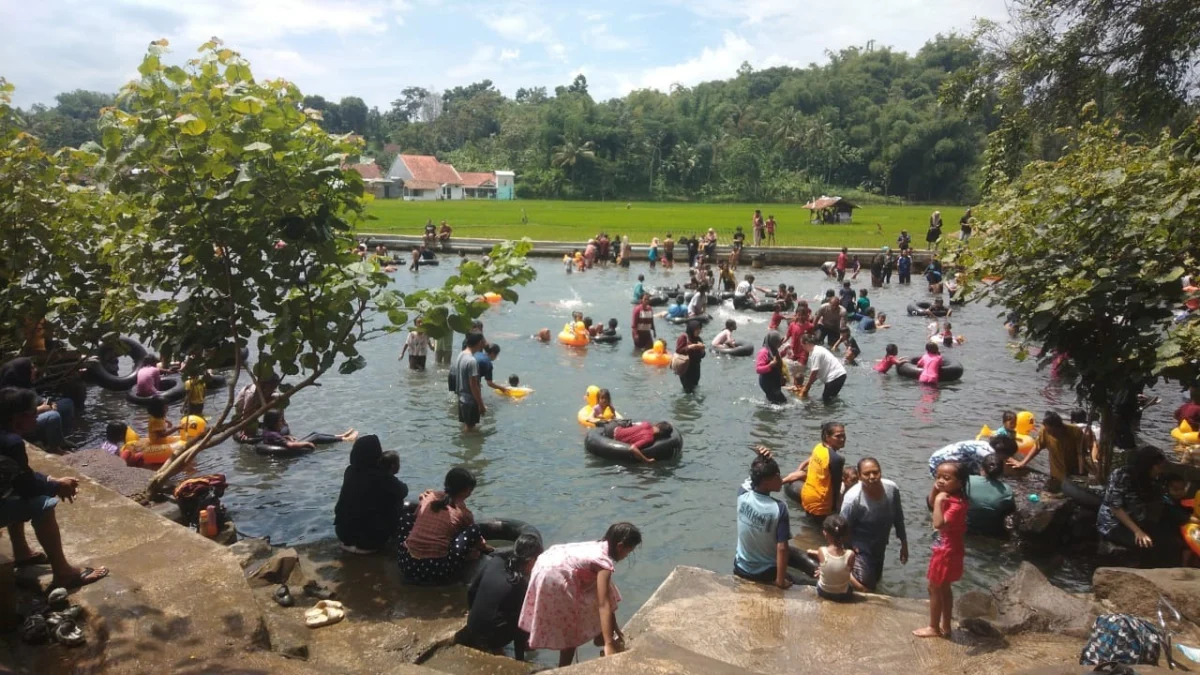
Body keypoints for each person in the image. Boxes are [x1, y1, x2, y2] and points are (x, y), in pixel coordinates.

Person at [0, 387, 109, 589]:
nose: (36, 417)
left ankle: (22, 552)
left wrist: (50, 479)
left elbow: (18, 475)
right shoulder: (12, 442)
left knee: (17, 492)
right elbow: (27, 487)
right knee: (43, 504)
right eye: (34, 413)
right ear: (18, 418)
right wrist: (56, 487)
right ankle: (64, 573)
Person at [519, 523, 642, 666]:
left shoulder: (598, 546)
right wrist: (609, 644)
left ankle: (601, 634)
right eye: (628, 552)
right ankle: (564, 668)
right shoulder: (603, 562)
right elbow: (603, 604)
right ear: (620, 546)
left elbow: (606, 595)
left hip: (545, 562)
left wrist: (615, 628)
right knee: (571, 629)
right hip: (554, 576)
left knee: (606, 590)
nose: (626, 556)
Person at [458, 533, 544, 660]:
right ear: (531, 560)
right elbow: (520, 627)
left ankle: (494, 645)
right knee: (526, 616)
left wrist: (472, 611)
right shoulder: (519, 584)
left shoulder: (495, 561)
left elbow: (471, 590)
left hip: (473, 626)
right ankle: (499, 648)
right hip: (492, 636)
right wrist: (520, 661)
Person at [398, 468, 491, 584]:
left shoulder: (429, 497)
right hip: (436, 569)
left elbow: (417, 516)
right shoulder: (464, 513)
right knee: (474, 529)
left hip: (406, 563)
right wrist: (485, 548)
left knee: (407, 518)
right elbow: (477, 540)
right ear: (467, 490)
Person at [914, 461, 968, 638]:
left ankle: (933, 627)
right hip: (949, 548)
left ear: (960, 482)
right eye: (938, 477)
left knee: (934, 587)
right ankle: (946, 625)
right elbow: (930, 503)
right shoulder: (950, 496)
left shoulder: (956, 505)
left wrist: (938, 501)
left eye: (947, 478)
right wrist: (935, 491)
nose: (941, 481)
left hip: (946, 551)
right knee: (944, 588)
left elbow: (938, 523)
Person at [1096, 445, 1176, 565]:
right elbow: (1116, 508)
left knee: (1169, 541)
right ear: (1148, 466)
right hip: (1115, 523)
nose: (1160, 470)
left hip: (1140, 519)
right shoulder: (1121, 475)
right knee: (1146, 545)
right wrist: (1138, 531)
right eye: (1158, 467)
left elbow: (1162, 501)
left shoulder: (1154, 480)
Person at [839, 457, 908, 591]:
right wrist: (847, 550)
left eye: (875, 472)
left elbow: (898, 517)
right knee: (866, 585)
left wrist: (904, 543)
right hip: (860, 545)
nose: (872, 477)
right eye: (866, 474)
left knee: (876, 580)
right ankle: (841, 573)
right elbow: (842, 527)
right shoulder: (853, 498)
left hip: (880, 543)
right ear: (859, 476)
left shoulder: (891, 489)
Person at [335, 435, 409, 554]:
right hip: (370, 543)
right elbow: (403, 491)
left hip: (344, 536)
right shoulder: (382, 477)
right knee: (399, 501)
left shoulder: (349, 471)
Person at [735, 454, 792, 588]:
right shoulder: (779, 508)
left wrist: (761, 456)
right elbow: (782, 548)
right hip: (765, 573)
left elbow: (753, 476)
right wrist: (780, 581)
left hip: (740, 567)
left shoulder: (742, 494)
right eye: (777, 476)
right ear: (766, 482)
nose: (781, 479)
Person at [0, 358, 76, 453]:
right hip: (22, 427)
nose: (35, 370)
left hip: (32, 416)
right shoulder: (10, 394)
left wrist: (48, 402)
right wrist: (41, 409)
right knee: (53, 416)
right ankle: (54, 449)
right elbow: (16, 417)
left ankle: (59, 440)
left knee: (67, 403)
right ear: (22, 371)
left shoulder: (24, 383)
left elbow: (36, 398)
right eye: (32, 368)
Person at [1010, 411, 1086, 492]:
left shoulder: (1075, 432)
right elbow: (1037, 447)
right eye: (1048, 431)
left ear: (1059, 427)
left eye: (1052, 431)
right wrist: (1022, 463)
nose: (1050, 434)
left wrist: (1081, 474)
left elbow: (1081, 453)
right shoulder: (1045, 431)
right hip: (1056, 473)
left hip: (1075, 473)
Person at [786, 421, 847, 521]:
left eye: (843, 435)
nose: (842, 439)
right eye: (838, 436)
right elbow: (836, 488)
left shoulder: (819, 447)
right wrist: (837, 509)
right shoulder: (836, 459)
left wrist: (799, 469)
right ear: (827, 437)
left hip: (807, 495)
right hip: (820, 504)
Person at [807, 515, 865, 601]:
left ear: (825, 533)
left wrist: (823, 570)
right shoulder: (850, 555)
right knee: (848, 583)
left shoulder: (821, 551)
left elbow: (828, 559)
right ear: (846, 535)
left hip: (823, 592)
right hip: (843, 595)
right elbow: (846, 572)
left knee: (822, 573)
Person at [966, 454, 1014, 537]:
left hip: (964, 525)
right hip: (989, 530)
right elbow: (1010, 510)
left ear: (981, 468)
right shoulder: (1007, 490)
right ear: (1001, 472)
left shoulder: (967, 480)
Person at [262, 409, 356, 451]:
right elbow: (290, 445)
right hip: (289, 448)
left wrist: (286, 436)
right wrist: (307, 443)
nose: (282, 423)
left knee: (314, 433)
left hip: (283, 444)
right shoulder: (273, 435)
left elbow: (277, 439)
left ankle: (341, 435)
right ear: (273, 422)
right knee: (316, 437)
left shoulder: (267, 431)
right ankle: (345, 439)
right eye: (279, 421)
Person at [928, 435, 1018, 477]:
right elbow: (984, 475)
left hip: (939, 457)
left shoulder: (986, 445)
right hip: (938, 463)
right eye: (1007, 456)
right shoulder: (987, 455)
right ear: (1001, 453)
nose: (1007, 459)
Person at [796, 334, 848, 403]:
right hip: (840, 375)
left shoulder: (815, 353)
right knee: (829, 399)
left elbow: (814, 372)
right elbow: (816, 374)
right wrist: (806, 384)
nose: (802, 347)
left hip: (835, 377)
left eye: (802, 345)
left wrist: (806, 388)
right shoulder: (818, 349)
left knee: (826, 401)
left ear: (806, 343)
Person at [454, 333, 487, 432]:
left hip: (462, 399)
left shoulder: (461, 354)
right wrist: (481, 405)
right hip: (470, 401)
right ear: (480, 342)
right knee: (470, 430)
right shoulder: (472, 361)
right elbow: (473, 386)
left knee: (467, 427)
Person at [756, 331, 788, 405]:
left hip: (774, 381)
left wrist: (784, 352)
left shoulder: (773, 349)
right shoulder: (763, 352)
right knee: (783, 402)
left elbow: (776, 360)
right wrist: (770, 365)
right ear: (773, 342)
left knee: (775, 401)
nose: (781, 344)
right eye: (779, 342)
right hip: (767, 382)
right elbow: (758, 369)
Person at [675, 320, 706, 393]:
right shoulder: (683, 337)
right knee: (688, 390)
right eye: (697, 329)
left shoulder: (699, 339)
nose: (699, 331)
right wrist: (692, 346)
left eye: (700, 329)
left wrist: (702, 350)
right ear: (691, 329)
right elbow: (678, 350)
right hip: (685, 368)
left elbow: (702, 355)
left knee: (694, 388)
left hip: (696, 368)